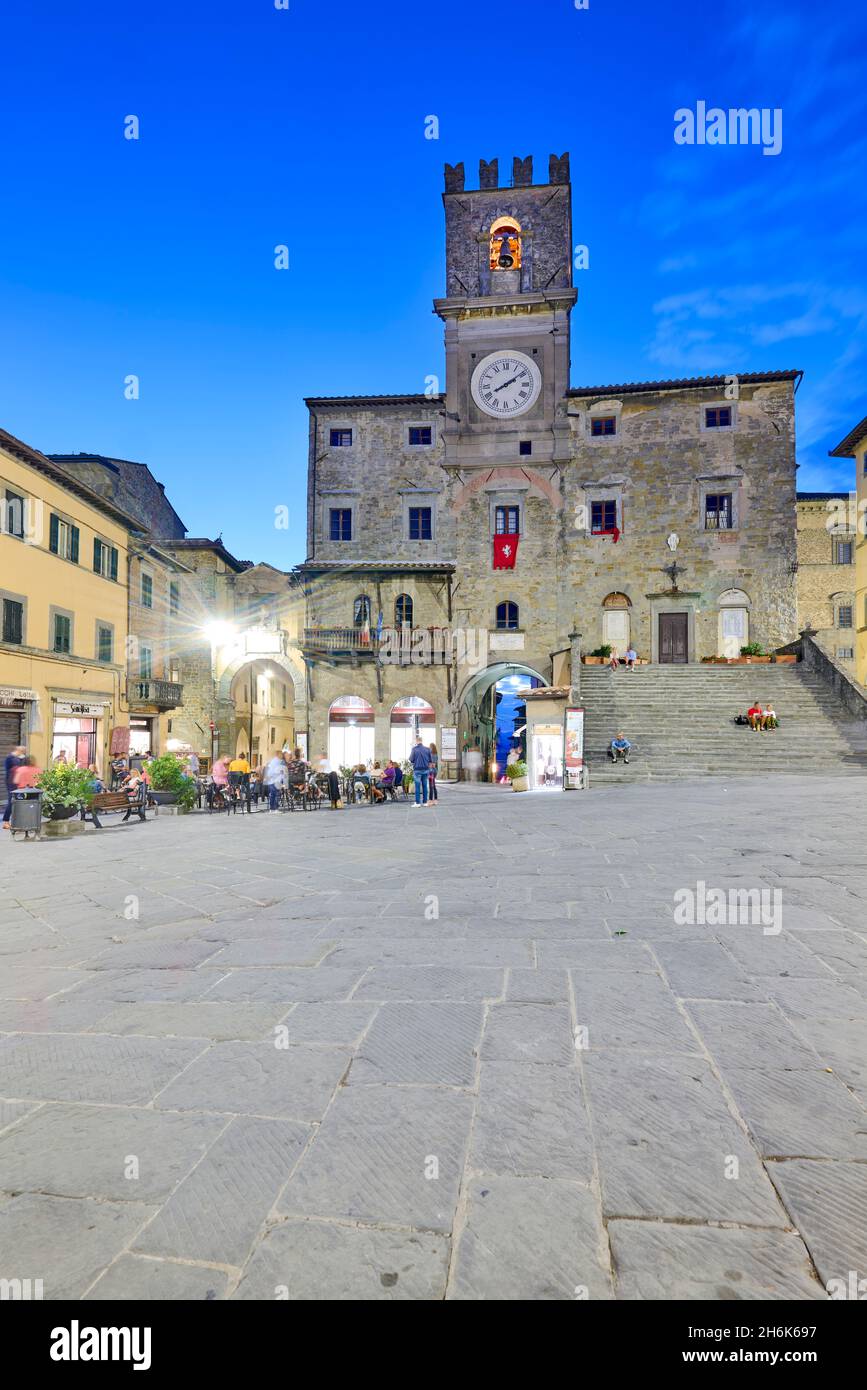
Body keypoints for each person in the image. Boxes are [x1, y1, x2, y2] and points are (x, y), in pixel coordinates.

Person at [2, 745, 25, 829]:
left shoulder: (19, 758)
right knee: (11, 801)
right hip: (11, 782)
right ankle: (5, 822)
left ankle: (17, 821)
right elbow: (10, 769)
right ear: (18, 750)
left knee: (18, 802)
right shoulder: (10, 758)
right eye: (22, 751)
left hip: (18, 783)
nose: (23, 752)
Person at [409, 734, 432, 806]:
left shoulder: (414, 749)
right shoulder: (428, 749)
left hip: (417, 770)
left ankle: (417, 803)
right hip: (426, 770)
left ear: (416, 741)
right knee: (425, 786)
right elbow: (430, 760)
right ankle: (425, 802)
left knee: (417, 786)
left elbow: (411, 759)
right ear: (422, 741)